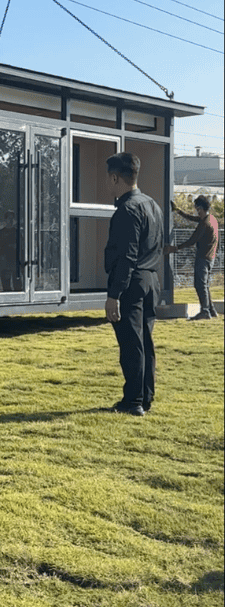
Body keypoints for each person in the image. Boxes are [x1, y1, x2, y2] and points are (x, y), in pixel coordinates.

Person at [103, 152, 164, 416]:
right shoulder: (153, 205)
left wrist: (114, 294)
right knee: (146, 342)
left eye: (109, 178)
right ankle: (145, 396)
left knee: (130, 343)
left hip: (132, 281)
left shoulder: (126, 209)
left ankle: (133, 400)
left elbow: (126, 255)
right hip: (152, 279)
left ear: (115, 177)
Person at [164, 195, 219, 320]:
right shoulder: (211, 219)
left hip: (203, 257)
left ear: (200, 208)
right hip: (211, 257)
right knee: (204, 284)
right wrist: (179, 211)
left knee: (199, 284)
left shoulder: (204, 223)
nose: (196, 211)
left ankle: (205, 311)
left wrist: (175, 248)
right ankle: (211, 309)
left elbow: (192, 240)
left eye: (196, 209)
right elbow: (194, 219)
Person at [0, 211, 22, 291]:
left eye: (12, 218)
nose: (11, 220)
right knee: (6, 285)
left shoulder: (17, 232)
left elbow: (21, 246)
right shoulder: (0, 233)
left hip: (15, 261)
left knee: (17, 285)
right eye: (9, 218)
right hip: (4, 261)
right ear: (5, 220)